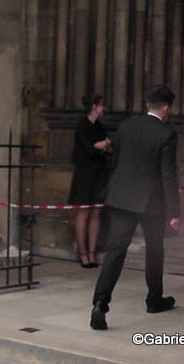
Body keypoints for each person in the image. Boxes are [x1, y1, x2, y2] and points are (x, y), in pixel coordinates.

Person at [90, 86, 181, 330]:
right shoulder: (166, 134)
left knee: (116, 250)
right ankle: (154, 300)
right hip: (151, 200)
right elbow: (168, 176)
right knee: (154, 249)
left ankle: (100, 302)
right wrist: (175, 211)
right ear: (166, 108)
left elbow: (115, 158)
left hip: (121, 196)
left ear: (147, 105)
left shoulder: (127, 126)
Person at [68, 95, 111, 268]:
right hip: (85, 173)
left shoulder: (100, 126)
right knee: (84, 212)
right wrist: (100, 146)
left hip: (99, 172)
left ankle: (92, 252)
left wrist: (102, 146)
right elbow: (89, 149)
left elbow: (108, 148)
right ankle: (82, 252)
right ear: (94, 106)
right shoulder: (82, 126)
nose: (104, 108)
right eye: (102, 105)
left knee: (96, 213)